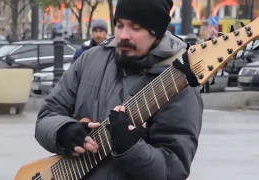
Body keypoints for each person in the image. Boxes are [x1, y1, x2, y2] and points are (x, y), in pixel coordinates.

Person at [35, 0, 203, 179]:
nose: (123, 35)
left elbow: (174, 169)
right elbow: (47, 115)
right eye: (119, 25)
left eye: (135, 28)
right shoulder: (91, 59)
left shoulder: (179, 83)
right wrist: (63, 131)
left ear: (157, 32)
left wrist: (131, 148)